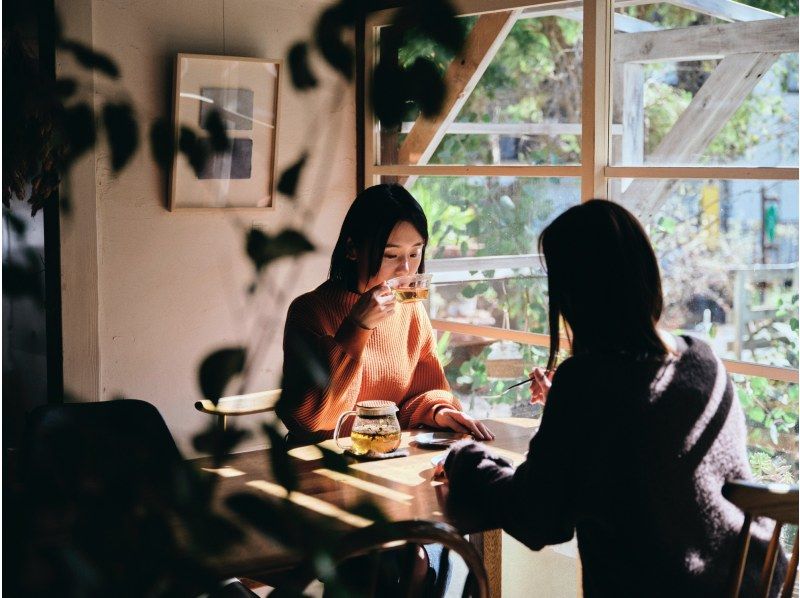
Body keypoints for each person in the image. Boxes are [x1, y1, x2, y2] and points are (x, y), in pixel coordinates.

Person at [438, 199, 784, 597]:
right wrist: (567, 411)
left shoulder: (586, 383)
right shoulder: (701, 358)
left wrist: (464, 458)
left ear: (575, 296)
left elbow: (538, 518)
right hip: (749, 584)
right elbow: (645, 444)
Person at [278, 183, 493, 444]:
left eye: (415, 253)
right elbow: (309, 418)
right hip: (319, 462)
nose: (405, 268)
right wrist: (357, 326)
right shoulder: (309, 311)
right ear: (352, 249)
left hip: (386, 456)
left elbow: (422, 392)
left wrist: (439, 411)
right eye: (391, 255)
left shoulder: (410, 308)